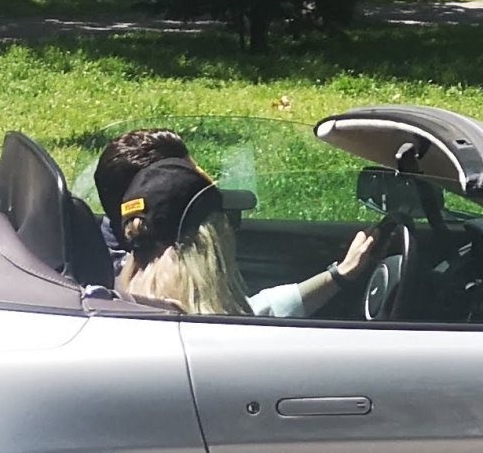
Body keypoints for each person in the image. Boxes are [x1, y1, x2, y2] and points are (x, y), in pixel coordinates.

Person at [93, 131, 376, 317]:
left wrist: (339, 275)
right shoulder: (189, 328)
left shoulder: (120, 300)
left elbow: (255, 312)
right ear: (203, 242)